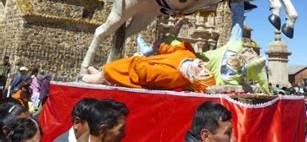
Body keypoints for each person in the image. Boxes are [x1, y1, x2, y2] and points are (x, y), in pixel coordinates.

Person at [82, 41, 215, 92]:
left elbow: (147, 74)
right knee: (118, 64)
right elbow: (175, 50)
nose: (202, 66)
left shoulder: (172, 76)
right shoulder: (188, 55)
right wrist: (163, 47)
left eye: (202, 72)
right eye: (205, 67)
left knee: (116, 70)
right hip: (144, 61)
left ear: (193, 78)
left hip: (134, 73)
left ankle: (102, 77)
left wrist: (139, 59)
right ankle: (102, 72)